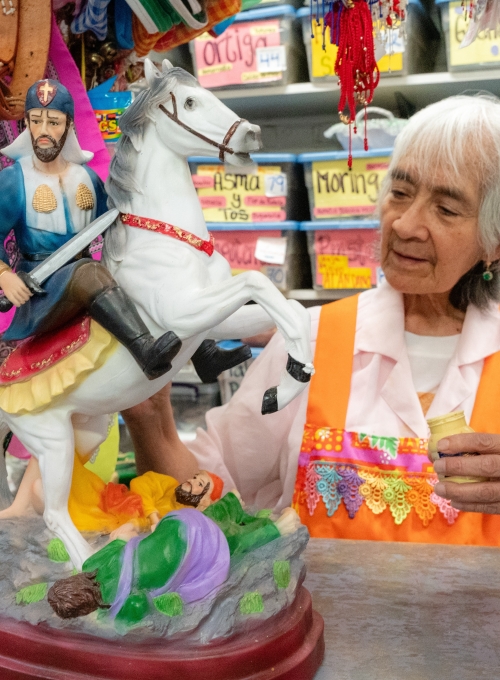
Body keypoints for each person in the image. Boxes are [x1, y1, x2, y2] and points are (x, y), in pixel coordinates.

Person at [139, 94, 500, 545]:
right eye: (400, 193)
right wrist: (149, 417)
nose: (406, 224)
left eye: (446, 209)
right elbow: (209, 489)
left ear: (494, 242)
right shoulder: (309, 338)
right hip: (321, 618)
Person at [0, 78, 249, 381]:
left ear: (68, 126)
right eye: (36, 121)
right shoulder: (14, 180)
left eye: (53, 122)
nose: (43, 131)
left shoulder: (86, 178)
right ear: (26, 123)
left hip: (82, 274)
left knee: (134, 272)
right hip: (43, 289)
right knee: (90, 274)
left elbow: (112, 222)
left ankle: (204, 352)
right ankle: (146, 352)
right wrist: (6, 277)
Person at [47, 493, 300, 624]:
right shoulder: (92, 565)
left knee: (233, 541)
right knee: (213, 519)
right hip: (173, 527)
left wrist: (104, 621)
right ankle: (232, 501)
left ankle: (278, 528)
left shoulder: (120, 603)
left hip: (190, 552)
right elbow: (123, 537)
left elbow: (139, 608)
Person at [130, 468, 224, 528]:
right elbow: (139, 483)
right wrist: (152, 514)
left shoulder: (189, 521)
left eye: (200, 484)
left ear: (205, 501)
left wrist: (137, 524)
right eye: (195, 477)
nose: (191, 480)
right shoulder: (170, 484)